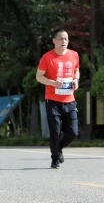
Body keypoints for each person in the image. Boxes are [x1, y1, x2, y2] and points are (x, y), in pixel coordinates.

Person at [35, 29, 80, 169]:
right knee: (55, 131)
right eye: (61, 39)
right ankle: (55, 158)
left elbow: (76, 70)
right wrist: (52, 83)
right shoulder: (47, 57)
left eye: (66, 39)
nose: (64, 41)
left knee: (73, 132)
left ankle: (58, 147)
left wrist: (76, 80)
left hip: (69, 100)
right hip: (53, 100)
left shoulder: (74, 55)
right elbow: (39, 76)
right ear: (54, 40)